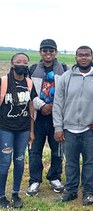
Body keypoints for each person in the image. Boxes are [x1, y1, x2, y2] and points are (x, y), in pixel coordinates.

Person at [52, 46, 93, 206]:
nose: (84, 58)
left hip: (90, 129)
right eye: (80, 55)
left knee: (90, 162)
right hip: (69, 129)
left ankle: (88, 192)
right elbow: (58, 103)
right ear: (76, 58)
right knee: (71, 162)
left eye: (87, 55)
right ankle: (71, 190)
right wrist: (58, 127)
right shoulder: (66, 77)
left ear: (92, 57)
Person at [27, 39, 68, 196]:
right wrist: (41, 105)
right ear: (40, 52)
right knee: (34, 150)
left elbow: (66, 91)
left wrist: (54, 107)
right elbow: (29, 91)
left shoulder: (63, 69)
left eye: (51, 50)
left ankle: (55, 177)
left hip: (56, 117)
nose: (48, 53)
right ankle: (35, 180)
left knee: (57, 149)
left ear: (56, 52)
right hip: (37, 117)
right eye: (44, 50)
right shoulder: (32, 70)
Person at [0, 53, 36, 209]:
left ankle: (15, 194)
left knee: (20, 161)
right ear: (12, 64)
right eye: (18, 62)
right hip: (5, 129)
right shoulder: (3, 82)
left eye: (25, 62)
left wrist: (31, 131)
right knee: (5, 162)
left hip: (23, 129)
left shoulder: (29, 82)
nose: (22, 64)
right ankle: (1, 196)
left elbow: (31, 107)